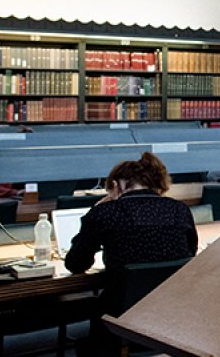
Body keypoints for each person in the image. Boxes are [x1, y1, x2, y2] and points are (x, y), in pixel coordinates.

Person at [64, 152, 197, 355]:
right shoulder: (179, 210)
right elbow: (190, 252)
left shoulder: (106, 213)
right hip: (172, 313)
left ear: (117, 186)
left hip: (121, 316)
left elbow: (75, 264)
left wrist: (94, 213)